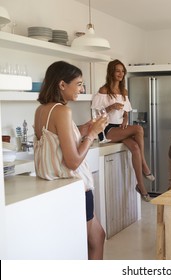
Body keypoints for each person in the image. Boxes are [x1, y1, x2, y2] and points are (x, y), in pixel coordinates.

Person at [33, 61, 107, 260]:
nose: (82, 89)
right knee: (82, 246)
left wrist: (85, 127)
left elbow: (57, 137)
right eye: (79, 84)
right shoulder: (62, 111)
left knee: (98, 236)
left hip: (58, 189)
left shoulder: (42, 110)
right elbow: (73, 161)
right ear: (62, 85)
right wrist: (92, 134)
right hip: (75, 188)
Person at [92, 59, 154, 202]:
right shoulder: (104, 91)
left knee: (135, 148)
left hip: (121, 128)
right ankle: (145, 165)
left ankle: (141, 186)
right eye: (117, 71)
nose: (121, 74)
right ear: (111, 72)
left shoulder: (123, 91)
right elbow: (96, 115)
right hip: (107, 129)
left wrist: (126, 117)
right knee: (138, 128)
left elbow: (126, 110)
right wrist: (111, 107)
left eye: (122, 71)